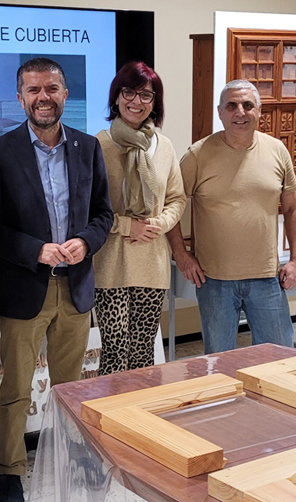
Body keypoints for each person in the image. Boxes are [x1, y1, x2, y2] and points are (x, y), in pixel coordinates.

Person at [0, 57, 113, 502]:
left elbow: (104, 213)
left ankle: (73, 458)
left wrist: (86, 241)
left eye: (52, 89)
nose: (44, 98)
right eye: (34, 90)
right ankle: (11, 470)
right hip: (24, 286)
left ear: (65, 95)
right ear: (20, 97)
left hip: (75, 287)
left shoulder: (87, 147)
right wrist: (35, 249)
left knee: (70, 387)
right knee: (17, 388)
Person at [167, 79, 296, 353]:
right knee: (220, 362)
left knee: (278, 358)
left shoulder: (277, 151)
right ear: (220, 112)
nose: (240, 112)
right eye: (231, 106)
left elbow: (293, 209)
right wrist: (181, 255)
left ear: (259, 111)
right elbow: (172, 205)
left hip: (267, 278)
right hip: (214, 280)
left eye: (247, 105)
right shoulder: (198, 155)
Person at [92, 62, 186, 374]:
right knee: (115, 351)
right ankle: (111, 406)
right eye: (129, 92)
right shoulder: (98, 145)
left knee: (144, 352)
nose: (136, 101)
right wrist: (125, 225)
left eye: (146, 95)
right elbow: (88, 208)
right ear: (116, 97)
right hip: (110, 264)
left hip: (152, 262)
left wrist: (159, 223)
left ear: (155, 103)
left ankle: (140, 406)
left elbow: (177, 198)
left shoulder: (164, 146)